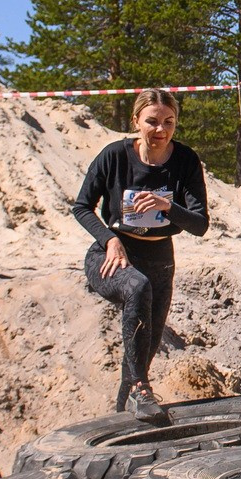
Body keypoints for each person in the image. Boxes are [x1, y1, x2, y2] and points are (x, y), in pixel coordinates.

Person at [72, 88, 210, 416]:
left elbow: (200, 224)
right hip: (112, 254)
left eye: (169, 122)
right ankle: (139, 389)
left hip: (160, 259)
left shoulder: (186, 160)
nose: (161, 129)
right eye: (152, 121)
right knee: (137, 286)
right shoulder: (114, 156)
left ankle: (122, 415)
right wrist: (109, 240)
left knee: (141, 355)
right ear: (136, 121)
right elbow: (81, 207)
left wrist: (168, 206)